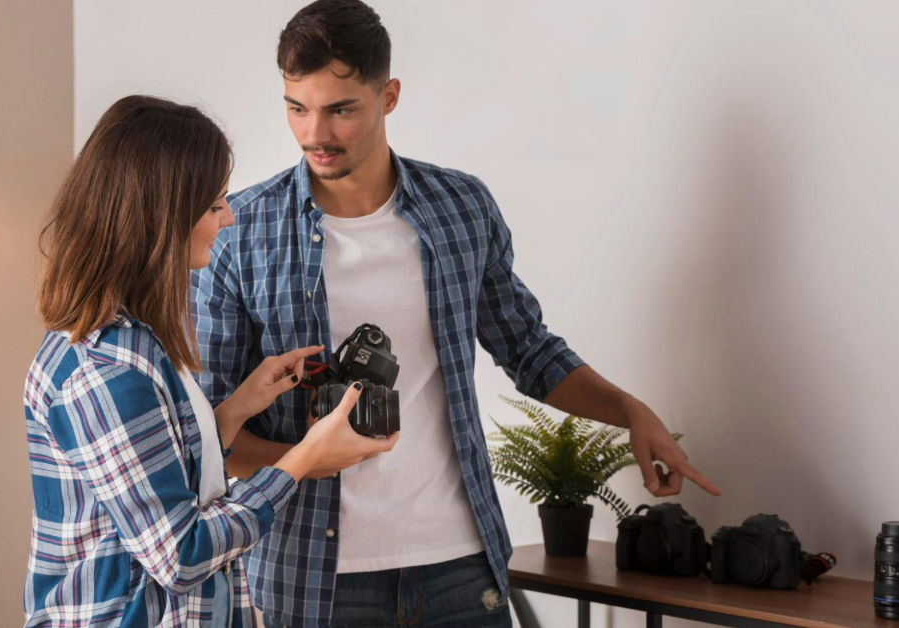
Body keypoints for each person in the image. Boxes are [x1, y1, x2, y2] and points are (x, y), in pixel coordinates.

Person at [192, 2, 724, 627]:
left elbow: (529, 350)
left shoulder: (460, 208)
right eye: (297, 107)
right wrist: (306, 457)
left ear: (388, 96)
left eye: (341, 109)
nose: (316, 134)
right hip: (312, 578)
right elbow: (213, 433)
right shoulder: (239, 230)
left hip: (461, 568)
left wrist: (633, 412)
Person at [23, 95, 398, 628]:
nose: (229, 215)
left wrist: (238, 408)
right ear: (162, 217)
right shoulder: (103, 370)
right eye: (214, 203)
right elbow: (180, 555)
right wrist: (301, 461)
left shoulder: (137, 339)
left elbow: (156, 480)